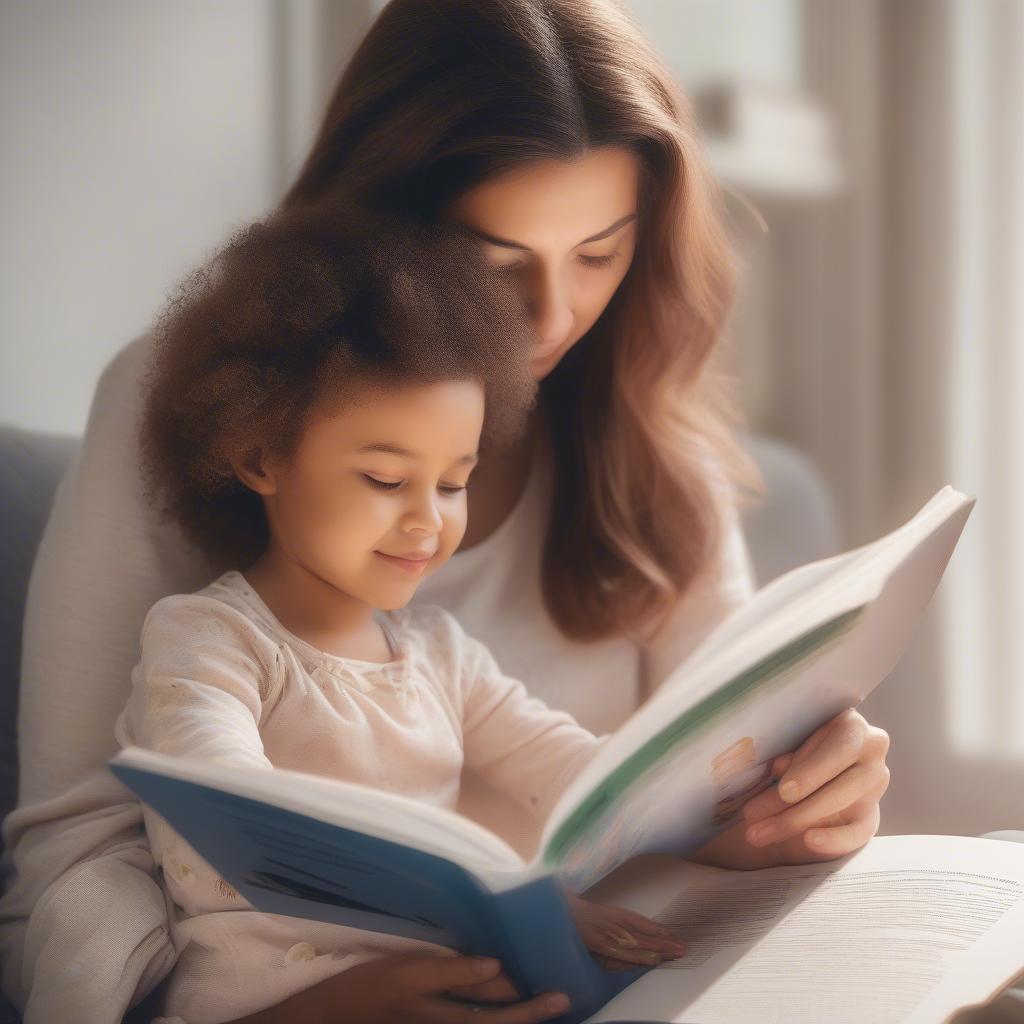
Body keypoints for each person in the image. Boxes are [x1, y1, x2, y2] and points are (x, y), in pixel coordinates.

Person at [0, 2, 892, 1022]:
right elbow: (75, 864)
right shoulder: (189, 417)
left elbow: (661, 799)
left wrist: (772, 811)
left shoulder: (661, 461)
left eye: (599, 253)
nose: (553, 319)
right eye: (497, 261)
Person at [115, 207, 690, 1023]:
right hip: (278, 1003)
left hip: (456, 976)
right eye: (387, 481)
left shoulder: (441, 655)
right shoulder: (209, 639)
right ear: (260, 456)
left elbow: (572, 767)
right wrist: (496, 906)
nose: (429, 521)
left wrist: (712, 785)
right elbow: (227, 817)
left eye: (453, 482)